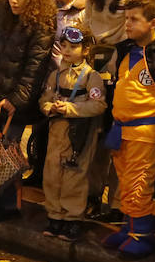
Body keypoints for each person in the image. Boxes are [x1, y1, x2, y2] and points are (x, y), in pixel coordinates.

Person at [101, 0, 155, 257]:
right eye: (126, 18)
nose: (128, 24)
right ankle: (129, 229)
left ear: (153, 22)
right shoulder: (128, 51)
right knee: (126, 181)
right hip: (122, 129)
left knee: (139, 182)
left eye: (134, 19)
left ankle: (142, 234)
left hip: (147, 130)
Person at [0, 0, 56, 216]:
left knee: (7, 156)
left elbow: (35, 70)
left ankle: (8, 206)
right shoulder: (9, 22)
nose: (13, 0)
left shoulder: (40, 28)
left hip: (14, 103)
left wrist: (16, 100)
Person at [39, 26, 106, 241]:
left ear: (85, 50)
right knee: (52, 172)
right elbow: (45, 97)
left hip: (80, 134)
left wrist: (70, 108)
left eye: (74, 47)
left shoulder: (91, 77)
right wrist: (48, 107)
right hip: (57, 130)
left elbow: (98, 105)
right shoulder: (55, 75)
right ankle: (54, 214)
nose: (67, 50)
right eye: (64, 46)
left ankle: (73, 218)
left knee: (74, 174)